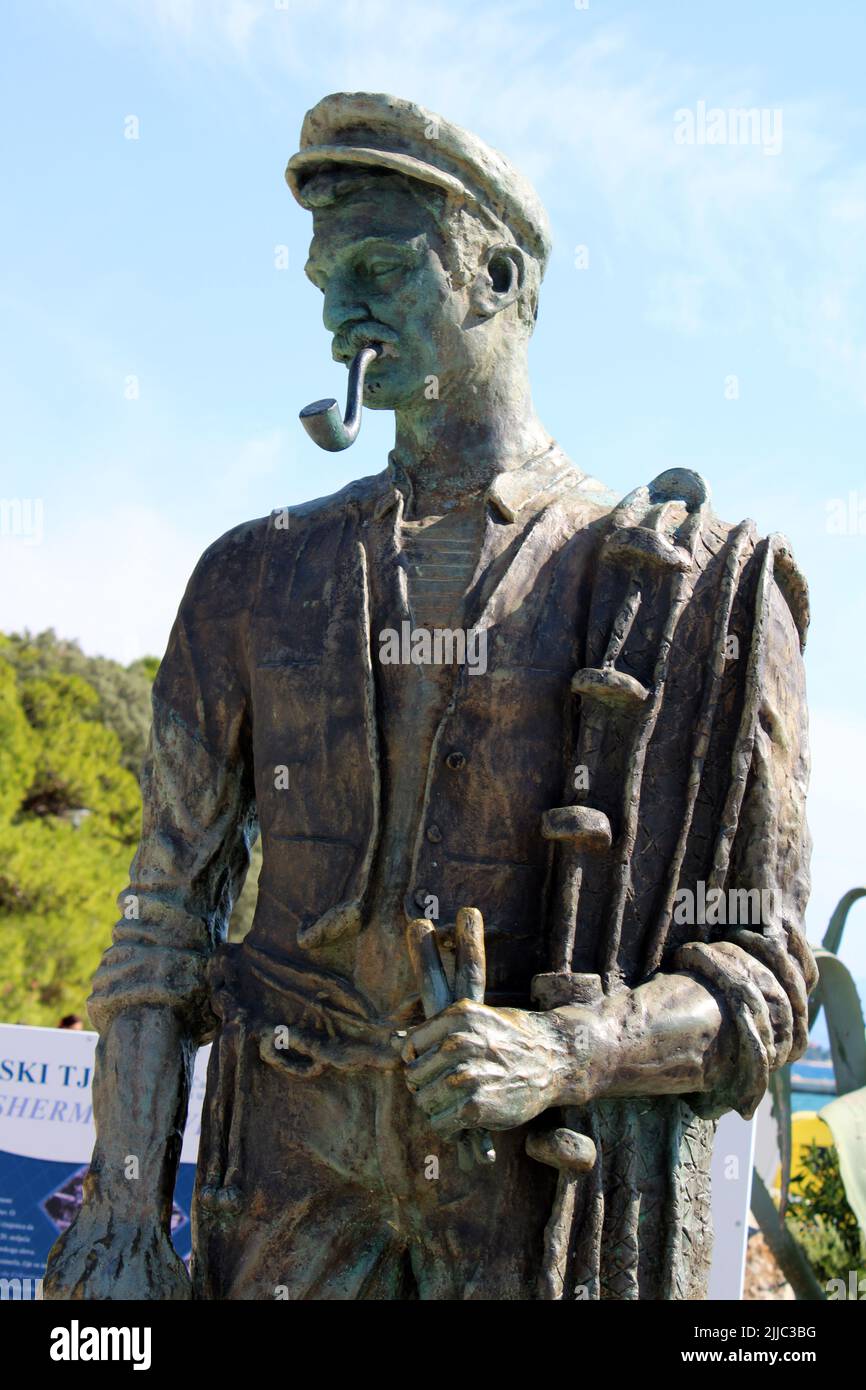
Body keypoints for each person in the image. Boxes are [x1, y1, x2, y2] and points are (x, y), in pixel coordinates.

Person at [44, 92, 816, 1301]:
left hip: (546, 1233)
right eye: (322, 281)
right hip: (280, 1227)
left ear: (497, 275)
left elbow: (761, 985)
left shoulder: (696, 589)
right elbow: (160, 932)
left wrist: (565, 1047)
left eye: (378, 268)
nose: (338, 309)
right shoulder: (251, 576)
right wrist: (128, 1211)